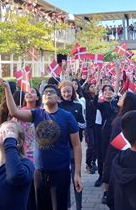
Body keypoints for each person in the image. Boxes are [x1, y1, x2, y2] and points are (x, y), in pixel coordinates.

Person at [0, 79, 83, 210]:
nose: (48, 94)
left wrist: (77, 173)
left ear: (58, 99)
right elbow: (14, 112)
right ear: (42, 99)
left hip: (60, 173)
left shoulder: (67, 117)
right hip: (39, 172)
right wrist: (7, 89)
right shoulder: (36, 114)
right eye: (45, 93)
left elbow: (77, 145)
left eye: (51, 92)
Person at [101, 92, 136, 205]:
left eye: (123, 97)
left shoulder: (121, 121)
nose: (120, 98)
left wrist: (107, 172)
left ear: (128, 102)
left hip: (118, 164)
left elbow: (113, 148)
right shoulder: (134, 118)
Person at [58, 80, 85, 210]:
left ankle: (79, 206)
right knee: (64, 179)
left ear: (72, 92)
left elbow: (84, 124)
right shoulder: (57, 106)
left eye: (69, 91)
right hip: (61, 147)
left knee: (77, 176)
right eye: (64, 91)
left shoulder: (78, 106)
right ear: (60, 92)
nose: (66, 94)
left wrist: (71, 123)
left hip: (75, 146)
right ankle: (67, 204)